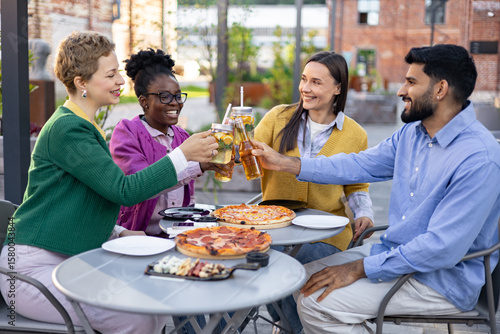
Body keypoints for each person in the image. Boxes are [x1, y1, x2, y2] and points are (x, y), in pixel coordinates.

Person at [251, 44, 500, 333]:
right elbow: (358, 165)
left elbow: (441, 249)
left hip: (438, 280)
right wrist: (286, 163)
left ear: (440, 89)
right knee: (295, 279)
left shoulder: (479, 158)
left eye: (411, 82)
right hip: (393, 254)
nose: (400, 91)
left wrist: (358, 269)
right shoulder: (413, 133)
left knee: (315, 301)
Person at [0, 31, 218, 334]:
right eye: (111, 74)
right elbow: (123, 190)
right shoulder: (67, 129)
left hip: (67, 260)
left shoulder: (82, 126)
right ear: (81, 83)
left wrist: (117, 230)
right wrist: (181, 156)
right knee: (137, 317)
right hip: (31, 272)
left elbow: (74, 198)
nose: (120, 81)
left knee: (152, 311)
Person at [254, 51, 374, 332]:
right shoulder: (277, 118)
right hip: (274, 224)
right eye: (304, 79)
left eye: (316, 82)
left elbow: (357, 184)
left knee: (287, 264)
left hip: (328, 232)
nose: (306, 88)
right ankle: (289, 326)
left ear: (338, 88)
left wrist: (364, 212)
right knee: (261, 258)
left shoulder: (355, 134)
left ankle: (286, 327)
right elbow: (247, 153)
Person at [109, 48, 231, 236]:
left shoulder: (181, 136)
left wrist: (210, 162)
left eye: (178, 96)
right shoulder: (128, 132)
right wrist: (193, 165)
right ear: (144, 101)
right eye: (165, 96)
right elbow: (140, 188)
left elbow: (187, 197)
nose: (175, 103)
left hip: (176, 234)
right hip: (138, 237)